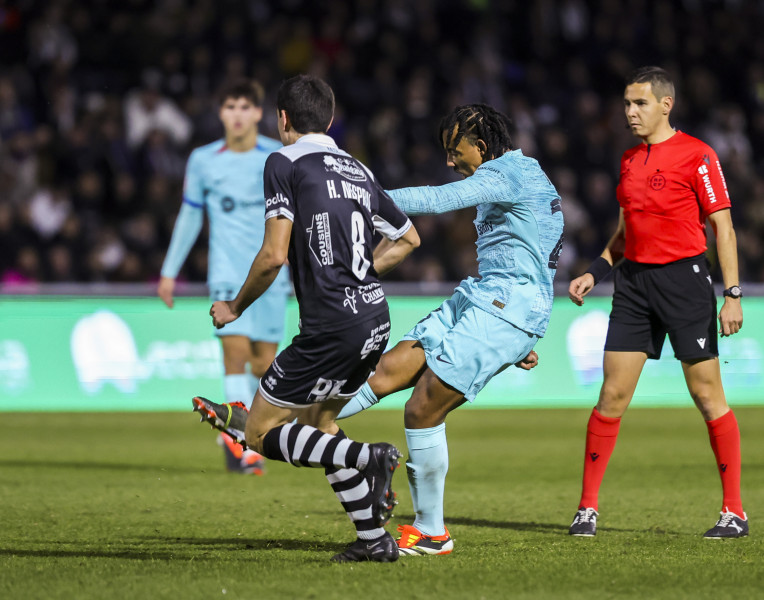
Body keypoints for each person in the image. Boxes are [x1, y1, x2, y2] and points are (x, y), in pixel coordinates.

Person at [194, 74, 421, 562]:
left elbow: (275, 255)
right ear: (331, 120)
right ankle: (374, 541)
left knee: (259, 434)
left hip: (332, 324)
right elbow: (408, 238)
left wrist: (233, 307)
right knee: (320, 425)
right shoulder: (357, 168)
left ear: (282, 119)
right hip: (374, 318)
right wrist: (357, 271)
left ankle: (370, 457)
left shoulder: (282, 161)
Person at [335, 103, 564, 556]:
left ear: (480, 148)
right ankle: (281, 422)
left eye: (454, 151)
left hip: (506, 305)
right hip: (484, 298)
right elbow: (539, 247)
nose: (449, 161)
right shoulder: (519, 175)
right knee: (383, 373)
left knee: (421, 409)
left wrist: (356, 197)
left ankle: (432, 532)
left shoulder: (508, 174)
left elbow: (437, 200)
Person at [566, 66, 747, 539]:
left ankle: (735, 512)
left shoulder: (698, 155)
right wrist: (594, 271)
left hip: (684, 283)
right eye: (627, 103)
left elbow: (723, 227)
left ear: (666, 105)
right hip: (633, 286)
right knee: (611, 396)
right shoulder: (628, 160)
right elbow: (626, 235)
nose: (630, 112)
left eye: (640, 103)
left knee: (707, 396)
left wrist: (732, 294)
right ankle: (587, 509)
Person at [158, 79, 289, 475]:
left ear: (257, 113)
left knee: (264, 363)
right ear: (220, 113)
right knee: (234, 352)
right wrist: (168, 272)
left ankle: (255, 434)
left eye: (244, 107)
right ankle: (240, 449)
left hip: (271, 272)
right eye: (229, 106)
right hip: (226, 274)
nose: (236, 114)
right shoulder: (203, 160)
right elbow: (190, 214)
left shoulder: (278, 156)